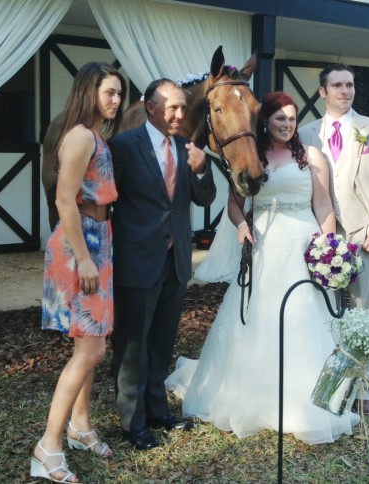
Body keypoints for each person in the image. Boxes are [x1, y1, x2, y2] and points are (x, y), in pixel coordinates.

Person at [165, 91, 359, 444]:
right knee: (260, 317)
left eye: (292, 118)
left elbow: (324, 206)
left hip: (305, 248)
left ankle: (306, 398)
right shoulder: (254, 157)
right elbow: (235, 204)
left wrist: (328, 250)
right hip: (266, 247)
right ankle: (253, 394)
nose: (287, 124)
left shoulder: (312, 156)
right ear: (265, 122)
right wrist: (241, 225)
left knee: (304, 317)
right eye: (279, 118)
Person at [109, 78, 216, 450]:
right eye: (171, 107)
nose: (179, 114)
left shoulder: (189, 147)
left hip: (175, 262)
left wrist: (202, 170)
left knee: (162, 340)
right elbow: (107, 201)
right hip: (137, 260)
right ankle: (131, 421)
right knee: (132, 344)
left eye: (183, 107)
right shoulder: (122, 146)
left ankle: (157, 411)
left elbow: (205, 199)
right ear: (150, 107)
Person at [31, 62, 125, 483]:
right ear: (89, 91)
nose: (115, 100)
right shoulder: (82, 136)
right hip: (80, 243)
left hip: (98, 238)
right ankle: (48, 446)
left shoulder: (94, 135)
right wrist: (85, 257)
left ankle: (80, 424)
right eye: (109, 92)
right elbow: (64, 200)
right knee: (91, 349)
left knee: (92, 341)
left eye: (119, 94)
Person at [298, 63, 369, 416]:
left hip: (364, 237)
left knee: (365, 313)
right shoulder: (304, 133)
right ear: (323, 91)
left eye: (350, 85)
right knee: (324, 312)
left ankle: (365, 390)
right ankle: (327, 381)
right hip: (322, 239)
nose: (346, 91)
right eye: (338, 85)